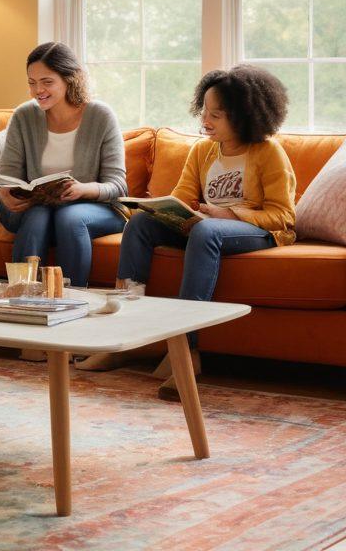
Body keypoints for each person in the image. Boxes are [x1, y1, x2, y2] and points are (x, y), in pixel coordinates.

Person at [95, 64, 295, 401]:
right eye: (204, 111)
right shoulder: (202, 150)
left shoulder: (267, 152)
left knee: (205, 232)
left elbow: (283, 215)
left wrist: (228, 213)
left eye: (216, 114)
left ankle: (185, 352)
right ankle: (123, 335)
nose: (206, 120)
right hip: (207, 225)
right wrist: (162, 211)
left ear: (243, 116)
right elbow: (181, 199)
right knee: (141, 224)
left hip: (259, 231)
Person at [0, 42, 128, 290]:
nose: (38, 90)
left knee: (69, 217)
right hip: (33, 206)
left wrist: (83, 190)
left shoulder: (101, 116)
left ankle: (73, 296)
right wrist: (5, 191)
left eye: (47, 82)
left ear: (70, 79)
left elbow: (118, 186)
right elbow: (8, 175)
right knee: (37, 215)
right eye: (32, 83)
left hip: (91, 207)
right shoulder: (23, 116)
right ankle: (22, 295)